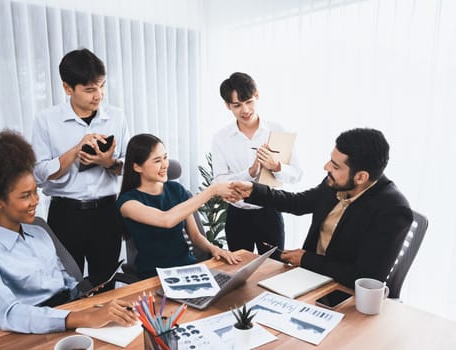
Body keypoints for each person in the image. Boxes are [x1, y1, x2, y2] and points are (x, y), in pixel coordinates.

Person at [0, 130, 137, 334]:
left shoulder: (39, 231)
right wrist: (85, 317)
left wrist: (96, 302)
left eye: (35, 192)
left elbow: (69, 285)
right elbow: (9, 314)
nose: (36, 201)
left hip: (75, 315)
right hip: (38, 331)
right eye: (25, 196)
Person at [229, 128, 413, 288]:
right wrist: (253, 191)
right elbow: (298, 203)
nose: (326, 168)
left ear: (361, 177)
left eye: (334, 166)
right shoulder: (337, 182)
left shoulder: (393, 210)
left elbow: (366, 277)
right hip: (309, 277)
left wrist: (305, 259)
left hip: (342, 293)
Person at [31, 48, 130, 289]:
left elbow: (130, 167)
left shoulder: (116, 117)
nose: (99, 95)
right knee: (67, 287)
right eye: (90, 89)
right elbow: (39, 174)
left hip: (107, 213)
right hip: (66, 215)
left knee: (106, 285)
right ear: (67, 88)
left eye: (101, 86)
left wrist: (107, 162)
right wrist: (76, 150)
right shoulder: (46, 120)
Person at [117, 133, 241, 279]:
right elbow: (166, 220)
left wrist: (214, 249)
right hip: (155, 276)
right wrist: (212, 190)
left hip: (189, 270)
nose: (165, 165)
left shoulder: (176, 190)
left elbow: (195, 236)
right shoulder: (127, 202)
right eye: (157, 160)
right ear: (137, 167)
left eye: (165, 157)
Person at [212, 72, 302, 257]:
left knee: (276, 268)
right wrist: (250, 172)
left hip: (269, 212)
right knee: (238, 269)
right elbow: (219, 182)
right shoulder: (221, 138)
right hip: (237, 214)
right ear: (227, 105)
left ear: (257, 96)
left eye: (249, 102)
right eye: (237, 105)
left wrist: (277, 166)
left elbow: (297, 174)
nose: (245, 110)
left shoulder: (276, 130)